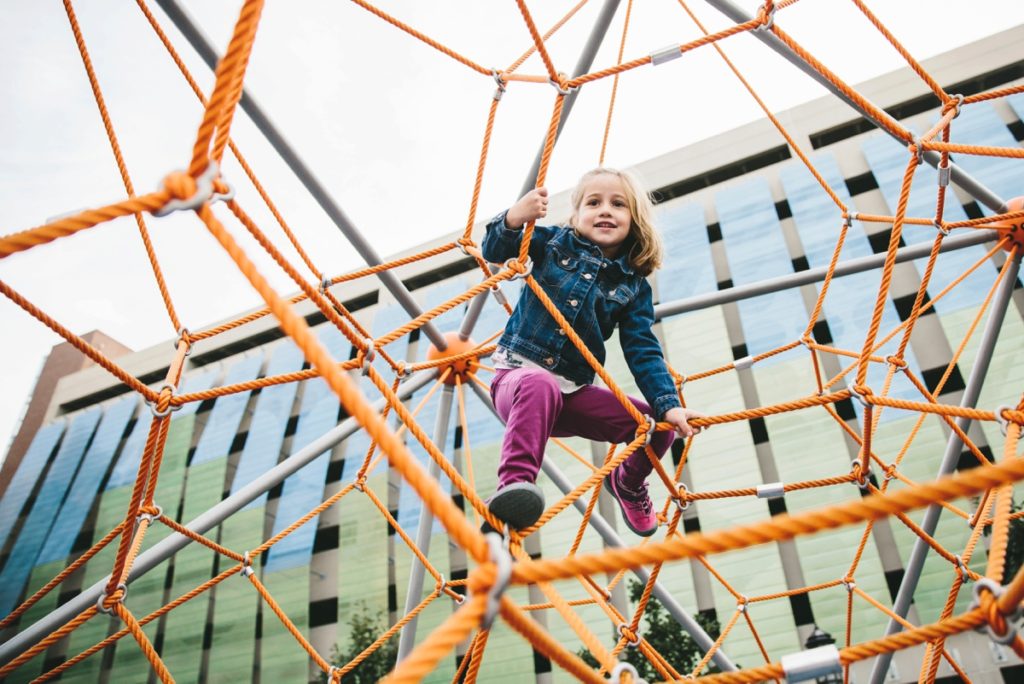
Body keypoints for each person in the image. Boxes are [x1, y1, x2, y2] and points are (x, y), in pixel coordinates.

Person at [481, 167, 704, 537]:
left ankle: (627, 484)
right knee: (539, 383)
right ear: (576, 215)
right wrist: (514, 217)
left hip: (571, 395)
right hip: (517, 382)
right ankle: (513, 488)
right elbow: (495, 249)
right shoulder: (552, 244)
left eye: (618, 204)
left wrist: (669, 403)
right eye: (593, 202)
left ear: (634, 220)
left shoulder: (633, 287)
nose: (605, 211)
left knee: (656, 427)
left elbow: (643, 350)